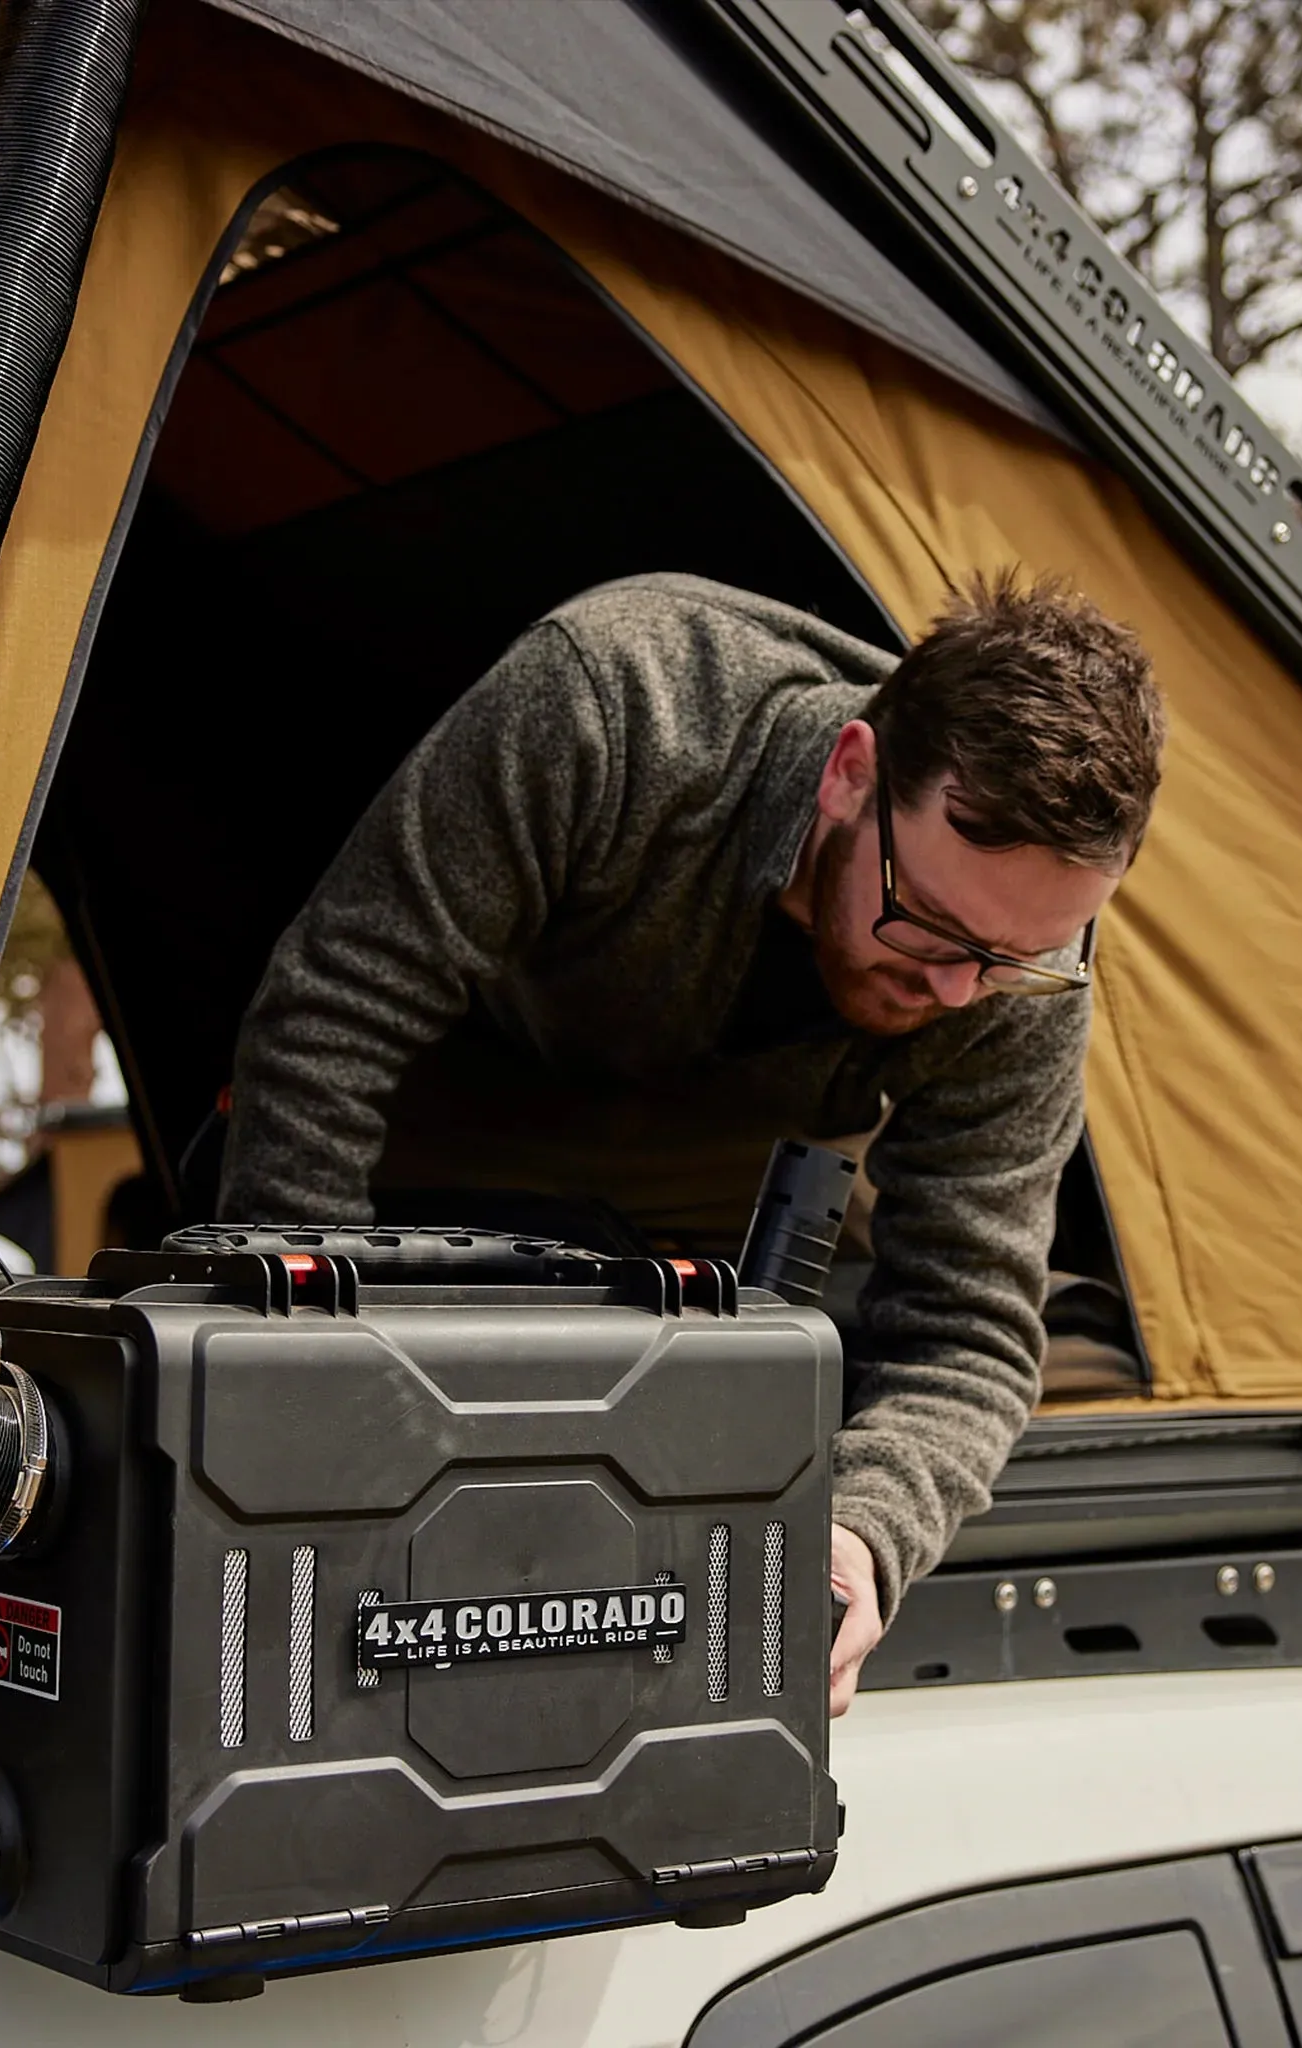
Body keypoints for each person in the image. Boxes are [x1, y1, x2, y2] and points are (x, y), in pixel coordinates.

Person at [217, 570, 1164, 1714]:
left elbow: (968, 1329)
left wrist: (863, 1534)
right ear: (849, 774)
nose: (958, 987)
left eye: (1009, 957)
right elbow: (332, 1011)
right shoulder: (614, 701)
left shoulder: (1023, 975)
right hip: (439, 1129)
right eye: (930, 923)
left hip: (719, 1217)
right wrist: (299, 1400)